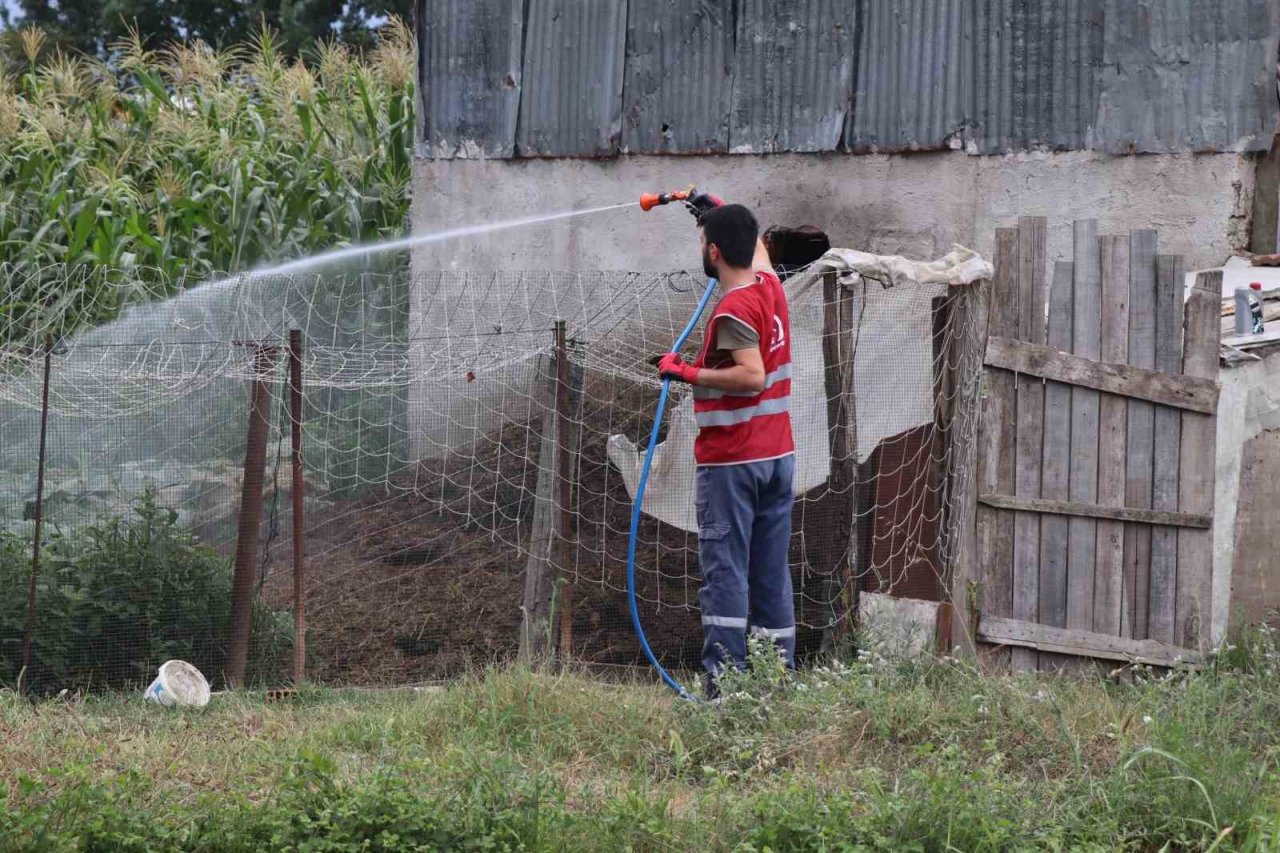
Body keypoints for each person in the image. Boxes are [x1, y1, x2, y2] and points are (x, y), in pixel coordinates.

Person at [655, 194, 796, 697]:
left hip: (734, 462)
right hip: (777, 458)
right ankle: (775, 681)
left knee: (726, 573)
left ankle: (726, 690)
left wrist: (684, 371)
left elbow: (751, 376)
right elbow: (755, 246)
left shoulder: (734, 309)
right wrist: (715, 206)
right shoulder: (770, 287)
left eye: (702, 241)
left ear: (714, 252)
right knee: (771, 573)